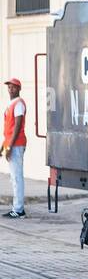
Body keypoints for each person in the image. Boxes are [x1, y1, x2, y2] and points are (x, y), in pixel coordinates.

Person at [3, 77, 26, 219]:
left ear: (19, 89)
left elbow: (17, 126)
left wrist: (10, 146)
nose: (10, 89)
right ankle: (16, 208)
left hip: (16, 144)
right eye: (9, 87)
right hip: (11, 143)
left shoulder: (18, 104)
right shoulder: (12, 103)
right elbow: (9, 128)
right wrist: (4, 147)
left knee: (17, 177)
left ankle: (18, 210)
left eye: (13, 87)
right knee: (14, 177)